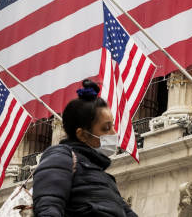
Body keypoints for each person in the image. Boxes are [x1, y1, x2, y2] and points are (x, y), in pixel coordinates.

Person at [32, 79, 138, 217]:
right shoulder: (60, 157)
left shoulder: (104, 178)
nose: (114, 133)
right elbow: (48, 208)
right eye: (106, 128)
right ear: (82, 134)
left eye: (112, 126)